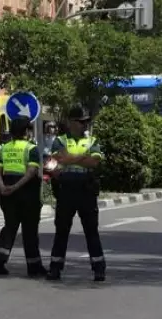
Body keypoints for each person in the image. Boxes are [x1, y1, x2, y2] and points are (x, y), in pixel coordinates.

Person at [46, 105, 106, 282]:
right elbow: (57, 161)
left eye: (86, 122)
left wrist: (70, 158)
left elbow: (94, 162)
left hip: (86, 190)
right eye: (81, 122)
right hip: (66, 190)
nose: (84, 125)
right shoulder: (60, 140)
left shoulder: (92, 141)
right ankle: (55, 268)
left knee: (91, 231)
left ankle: (99, 269)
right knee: (62, 230)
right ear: (71, 122)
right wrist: (82, 158)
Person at [0, 117, 48, 277]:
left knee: (9, 227)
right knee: (30, 230)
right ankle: (34, 267)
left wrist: (3, 187)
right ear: (26, 131)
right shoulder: (31, 149)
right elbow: (31, 172)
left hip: (7, 193)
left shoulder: (3, 149)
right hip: (27, 193)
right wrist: (16, 187)